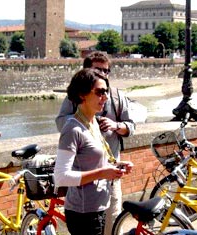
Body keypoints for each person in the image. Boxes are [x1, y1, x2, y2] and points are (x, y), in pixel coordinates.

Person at [55, 51, 135, 235]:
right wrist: (103, 172)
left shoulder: (97, 117)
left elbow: (131, 126)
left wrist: (116, 163)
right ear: (82, 93)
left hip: (104, 194)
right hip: (85, 208)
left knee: (114, 227)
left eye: (106, 71)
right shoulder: (74, 127)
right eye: (100, 92)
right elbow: (61, 177)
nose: (104, 97)